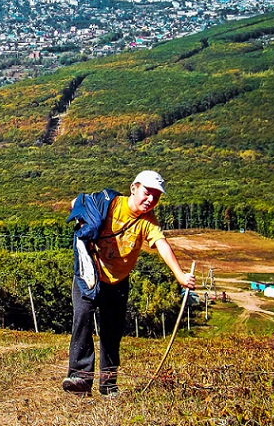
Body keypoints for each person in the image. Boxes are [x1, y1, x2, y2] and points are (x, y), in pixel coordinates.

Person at [62, 170, 195, 396]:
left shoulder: (148, 222)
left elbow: (162, 244)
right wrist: (79, 212)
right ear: (134, 188)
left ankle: (108, 384)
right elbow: (78, 202)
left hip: (118, 282)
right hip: (89, 275)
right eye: (147, 192)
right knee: (82, 319)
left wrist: (180, 275)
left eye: (156, 196)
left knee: (112, 333)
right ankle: (79, 378)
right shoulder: (110, 204)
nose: (150, 199)